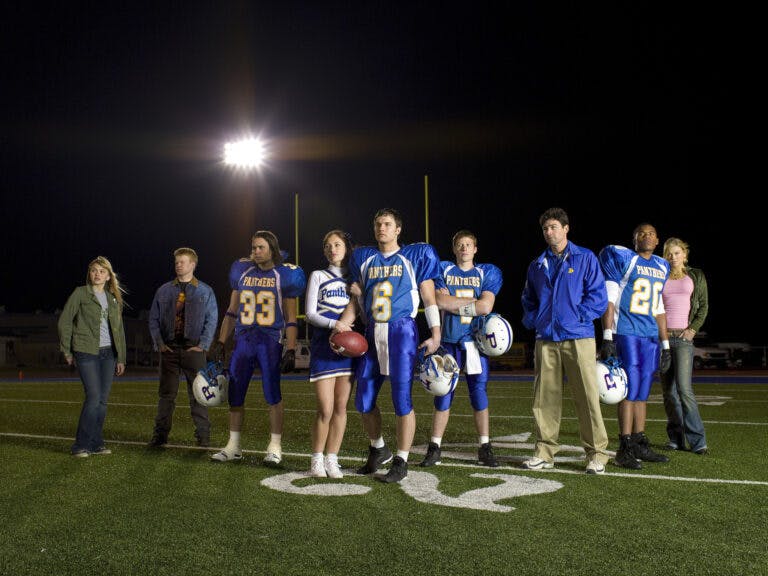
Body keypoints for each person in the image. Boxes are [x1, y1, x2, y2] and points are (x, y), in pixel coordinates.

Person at [332, 208, 442, 483]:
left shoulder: (413, 257)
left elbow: (429, 298)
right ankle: (379, 448)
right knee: (363, 400)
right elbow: (356, 303)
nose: (382, 228)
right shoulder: (364, 258)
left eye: (387, 224)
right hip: (372, 332)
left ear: (398, 230)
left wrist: (436, 334)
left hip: (401, 331)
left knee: (401, 399)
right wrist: (342, 325)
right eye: (378, 224)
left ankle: (401, 461)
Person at [519, 208, 611, 474]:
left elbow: (598, 297)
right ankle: (544, 453)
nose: (549, 232)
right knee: (544, 398)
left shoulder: (585, 257)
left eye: (554, 227)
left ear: (566, 228)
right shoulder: (537, 265)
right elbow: (528, 300)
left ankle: (597, 454)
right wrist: (536, 321)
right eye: (545, 228)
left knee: (587, 397)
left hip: (578, 337)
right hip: (546, 338)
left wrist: (578, 317)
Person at [209, 231, 306, 465]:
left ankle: (275, 446)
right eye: (253, 247)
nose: (256, 251)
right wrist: (221, 341)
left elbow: (291, 318)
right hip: (243, 339)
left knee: (272, 393)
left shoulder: (284, 276)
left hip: (269, 340)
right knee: (235, 393)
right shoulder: (242, 272)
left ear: (272, 249)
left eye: (261, 247)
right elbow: (231, 311)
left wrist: (291, 348)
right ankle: (233, 446)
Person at [419, 230, 503, 468]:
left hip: (475, 343)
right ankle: (435, 447)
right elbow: (439, 301)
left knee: (479, 393)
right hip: (448, 341)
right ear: (454, 249)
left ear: (475, 249)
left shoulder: (486, 272)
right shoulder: (444, 269)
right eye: (460, 244)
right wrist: (474, 303)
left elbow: (486, 307)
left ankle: (485, 447)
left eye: (468, 244)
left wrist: (454, 304)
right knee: (443, 394)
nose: (464, 248)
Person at [599, 223, 671, 469]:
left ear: (657, 240)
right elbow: (609, 300)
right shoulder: (625, 259)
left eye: (651, 233)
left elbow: (659, 307)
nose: (646, 236)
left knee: (642, 392)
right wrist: (607, 336)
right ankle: (624, 447)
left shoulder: (662, 266)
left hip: (650, 335)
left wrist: (665, 344)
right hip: (627, 332)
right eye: (641, 233)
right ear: (634, 239)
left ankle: (639, 442)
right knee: (628, 391)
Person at [147, 247, 218, 448]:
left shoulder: (205, 291)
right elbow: (153, 319)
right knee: (166, 396)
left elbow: (211, 320)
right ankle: (160, 436)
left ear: (192, 265)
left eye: (182, 262)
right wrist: (160, 344)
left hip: (193, 351)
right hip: (169, 350)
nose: (178, 265)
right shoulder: (164, 290)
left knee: (198, 395)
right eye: (176, 262)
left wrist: (203, 345)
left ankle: (203, 436)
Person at [58, 256, 126, 457]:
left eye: (102, 271)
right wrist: (66, 350)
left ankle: (96, 443)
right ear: (89, 273)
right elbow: (64, 322)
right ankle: (80, 445)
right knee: (94, 397)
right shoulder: (80, 293)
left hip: (108, 354)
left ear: (108, 276)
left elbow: (119, 330)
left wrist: (121, 358)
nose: (97, 274)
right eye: (94, 270)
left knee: (102, 401)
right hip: (86, 351)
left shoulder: (113, 298)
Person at [304, 230, 357, 478]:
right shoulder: (318, 275)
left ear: (346, 248)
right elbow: (310, 314)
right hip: (323, 346)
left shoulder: (354, 279)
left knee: (341, 407)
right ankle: (316, 458)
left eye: (337, 245)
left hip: (347, 349)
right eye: (328, 246)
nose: (332, 249)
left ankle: (332, 458)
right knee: (325, 408)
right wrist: (335, 324)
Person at [660, 237, 708, 455]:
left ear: (684, 254)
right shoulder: (660, 276)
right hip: (663, 338)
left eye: (677, 253)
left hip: (683, 339)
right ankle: (676, 439)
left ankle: (698, 442)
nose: (673, 257)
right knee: (668, 393)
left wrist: (692, 330)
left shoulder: (695, 276)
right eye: (669, 253)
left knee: (684, 390)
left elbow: (703, 306)